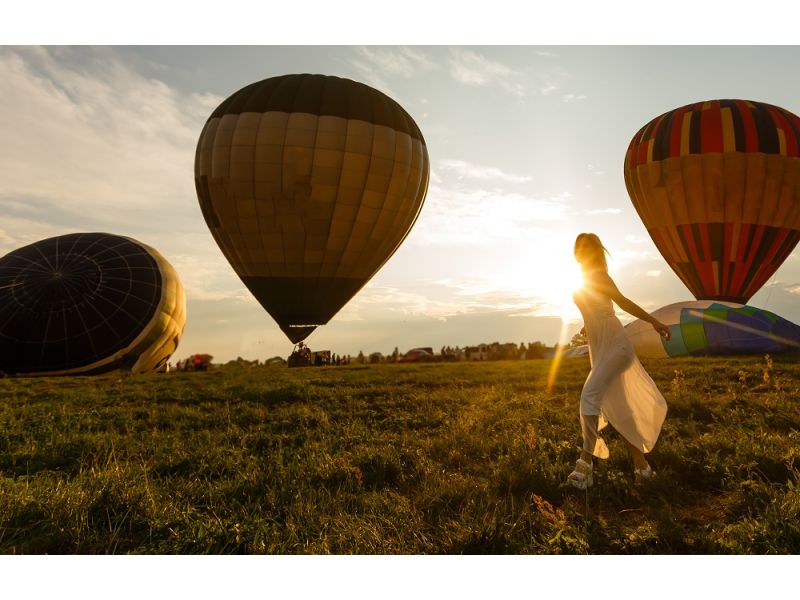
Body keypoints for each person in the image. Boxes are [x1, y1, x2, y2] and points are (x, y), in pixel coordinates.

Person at [567, 233, 670, 490]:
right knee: (622, 410)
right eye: (578, 246)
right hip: (601, 348)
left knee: (589, 394)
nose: (582, 250)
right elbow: (595, 309)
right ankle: (642, 468)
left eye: (587, 246)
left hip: (617, 346)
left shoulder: (601, 276)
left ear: (596, 251)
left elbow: (622, 302)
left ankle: (585, 463)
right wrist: (586, 326)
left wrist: (654, 322)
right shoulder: (582, 280)